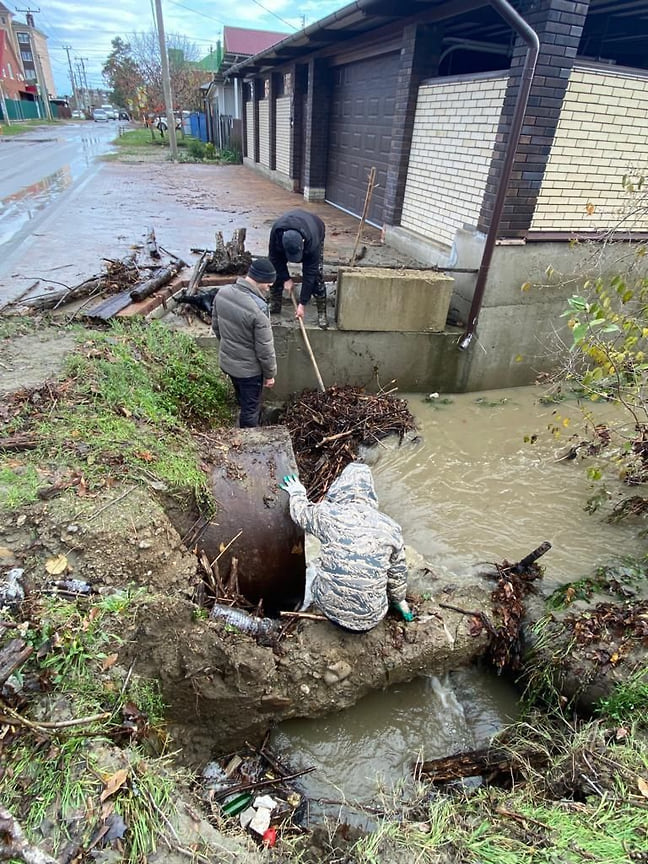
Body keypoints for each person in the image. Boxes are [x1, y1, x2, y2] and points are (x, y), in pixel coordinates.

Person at [280, 462, 413, 631]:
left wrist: (297, 492)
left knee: (313, 569)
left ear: (341, 486)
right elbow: (397, 573)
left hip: (331, 614)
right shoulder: (391, 527)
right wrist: (399, 600)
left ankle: (302, 605)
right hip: (371, 620)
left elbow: (299, 513)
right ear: (370, 491)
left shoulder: (327, 515)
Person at [211, 257, 277, 428]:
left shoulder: (223, 293)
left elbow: (216, 327)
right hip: (249, 372)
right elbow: (265, 349)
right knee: (251, 409)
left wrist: (229, 348)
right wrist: (269, 375)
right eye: (268, 284)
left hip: (229, 363)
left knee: (242, 397)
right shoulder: (259, 309)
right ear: (260, 280)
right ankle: (247, 442)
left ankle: (241, 417)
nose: (269, 289)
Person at [268, 209, 328, 329]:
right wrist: (286, 278)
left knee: (316, 275)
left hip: (315, 225)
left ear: (303, 242)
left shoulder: (312, 241)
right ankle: (275, 303)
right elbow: (274, 259)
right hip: (292, 224)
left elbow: (309, 274)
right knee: (274, 271)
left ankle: (322, 313)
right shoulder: (277, 232)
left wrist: (302, 303)